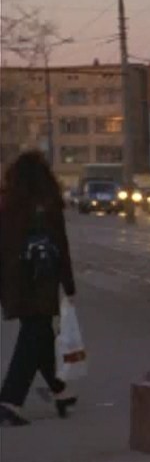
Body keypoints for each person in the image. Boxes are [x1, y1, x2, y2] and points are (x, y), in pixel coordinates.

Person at [0, 151, 77, 427]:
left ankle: (60, 391)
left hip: (13, 282)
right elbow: (61, 246)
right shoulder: (48, 204)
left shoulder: (7, 202)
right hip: (41, 281)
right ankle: (10, 399)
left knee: (40, 334)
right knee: (33, 336)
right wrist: (69, 286)